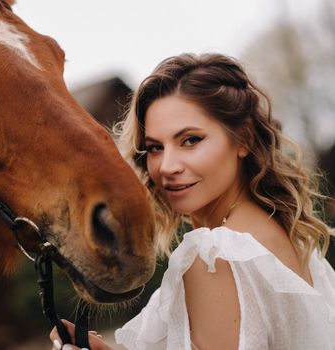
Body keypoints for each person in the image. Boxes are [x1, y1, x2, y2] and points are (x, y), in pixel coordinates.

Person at [49, 53, 335, 350]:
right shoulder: (283, 234)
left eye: (190, 140)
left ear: (244, 138)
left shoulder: (215, 257)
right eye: (155, 148)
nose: (167, 166)